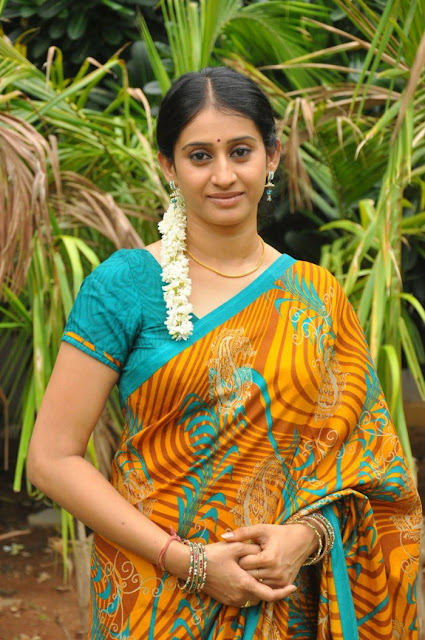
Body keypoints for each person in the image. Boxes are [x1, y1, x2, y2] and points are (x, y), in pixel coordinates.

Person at [27, 66, 421, 639]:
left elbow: (372, 467)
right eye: (199, 156)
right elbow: (52, 458)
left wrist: (306, 537)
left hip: (283, 595)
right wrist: (189, 563)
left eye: (240, 151)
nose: (224, 175)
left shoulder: (318, 297)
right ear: (169, 166)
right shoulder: (124, 285)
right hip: (155, 595)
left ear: (272, 156)